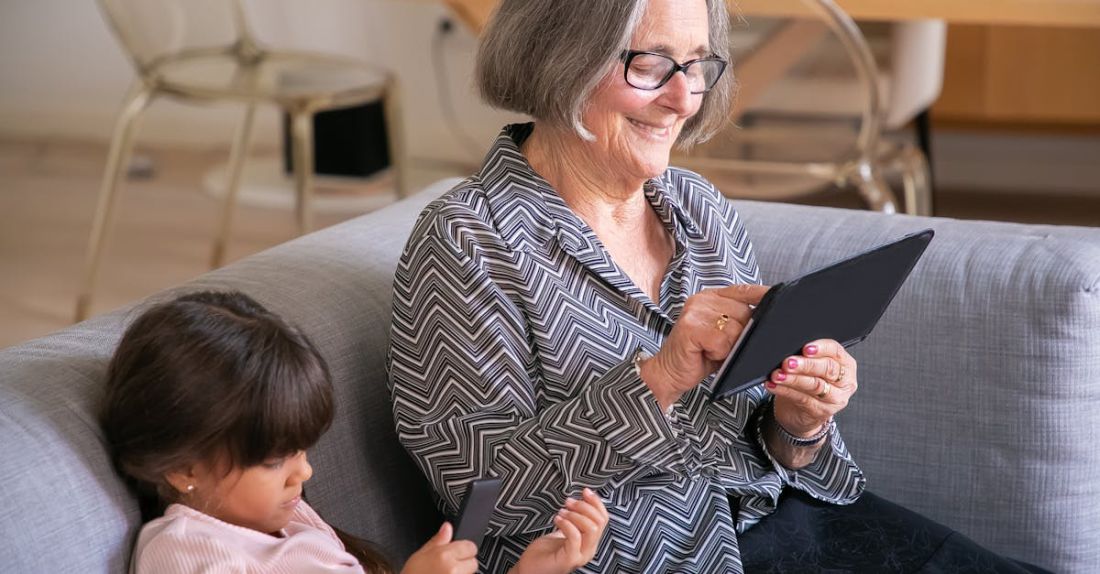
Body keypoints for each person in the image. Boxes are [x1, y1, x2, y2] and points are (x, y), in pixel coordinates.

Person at [387, 0, 1049, 572]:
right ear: (561, 58)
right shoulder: (469, 240)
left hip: (783, 529)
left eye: (697, 64)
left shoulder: (697, 208)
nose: (683, 98)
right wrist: (661, 377)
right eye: (649, 64)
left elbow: (770, 448)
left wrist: (799, 422)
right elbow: (479, 491)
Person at [101, 290, 608, 574]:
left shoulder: (292, 519)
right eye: (275, 459)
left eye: (300, 449)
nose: (304, 470)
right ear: (185, 468)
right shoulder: (185, 551)